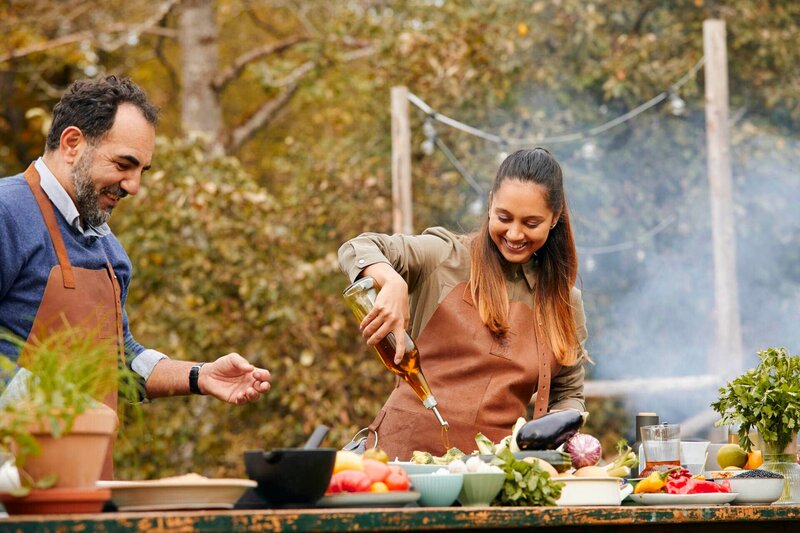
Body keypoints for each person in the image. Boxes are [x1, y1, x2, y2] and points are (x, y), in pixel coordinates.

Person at [0, 76, 271, 474]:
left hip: (85, 488)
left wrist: (199, 375)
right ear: (73, 144)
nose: (134, 186)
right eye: (124, 164)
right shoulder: (7, 212)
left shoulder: (108, 250)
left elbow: (120, 360)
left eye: (142, 169)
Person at [338, 148, 589, 460]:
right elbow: (358, 247)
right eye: (504, 217)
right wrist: (391, 281)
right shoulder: (444, 257)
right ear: (489, 204)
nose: (514, 233)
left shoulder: (564, 303)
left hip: (495, 473)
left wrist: (562, 432)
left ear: (554, 218)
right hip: (401, 461)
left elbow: (568, 393)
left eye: (531, 223)